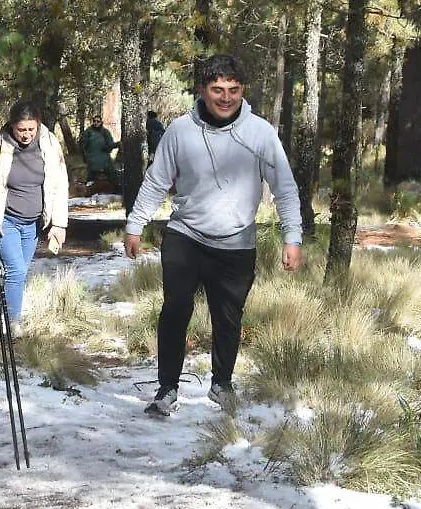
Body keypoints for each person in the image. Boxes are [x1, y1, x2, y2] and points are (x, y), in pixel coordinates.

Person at [124, 54, 303, 416]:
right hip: (185, 235)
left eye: (233, 90)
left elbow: (284, 187)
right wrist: (134, 224)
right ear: (203, 91)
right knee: (175, 308)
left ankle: (222, 384)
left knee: (229, 317)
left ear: (243, 91)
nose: (225, 98)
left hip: (237, 241)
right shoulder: (179, 131)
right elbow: (156, 181)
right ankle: (167, 389)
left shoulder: (260, 133)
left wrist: (292, 237)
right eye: (217, 89)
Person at [0, 101, 69, 333]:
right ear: (12, 126)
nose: (26, 135)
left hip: (33, 223)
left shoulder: (50, 143)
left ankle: (6, 313)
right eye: (21, 130)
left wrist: (59, 223)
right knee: (16, 271)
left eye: (31, 130)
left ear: (38, 125)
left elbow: (60, 184)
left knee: (19, 272)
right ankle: (12, 324)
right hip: (6, 221)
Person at [81, 116, 119, 188]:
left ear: (101, 122)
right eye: (94, 121)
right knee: (90, 178)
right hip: (92, 160)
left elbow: (110, 145)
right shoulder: (88, 132)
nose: (96, 123)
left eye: (98, 121)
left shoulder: (105, 132)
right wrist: (85, 156)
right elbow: (83, 146)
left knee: (113, 175)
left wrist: (117, 144)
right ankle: (87, 191)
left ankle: (117, 189)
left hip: (105, 160)